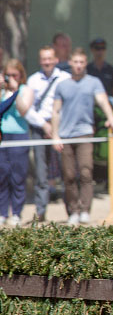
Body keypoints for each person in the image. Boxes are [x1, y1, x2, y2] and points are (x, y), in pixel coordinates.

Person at [51, 48, 113, 224]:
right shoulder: (62, 85)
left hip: (85, 133)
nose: (79, 66)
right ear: (70, 63)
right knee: (68, 175)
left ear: (85, 63)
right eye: (76, 62)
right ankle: (73, 210)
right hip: (66, 135)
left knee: (86, 172)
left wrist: (111, 118)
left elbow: (103, 101)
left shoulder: (93, 82)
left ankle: (85, 209)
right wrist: (55, 135)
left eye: (82, 62)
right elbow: (56, 111)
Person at [23, 45, 68, 221]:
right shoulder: (33, 80)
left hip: (62, 128)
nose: (47, 62)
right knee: (41, 173)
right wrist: (44, 125)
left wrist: (55, 126)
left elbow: (67, 105)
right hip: (39, 128)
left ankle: (71, 212)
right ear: (40, 60)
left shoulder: (65, 78)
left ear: (56, 59)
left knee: (67, 171)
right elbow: (28, 108)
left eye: (50, 58)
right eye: (44, 59)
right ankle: (41, 211)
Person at [0, 59, 35, 225]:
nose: (11, 78)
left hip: (19, 135)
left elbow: (23, 111)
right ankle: (2, 213)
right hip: (2, 135)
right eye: (8, 75)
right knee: (1, 176)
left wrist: (15, 91)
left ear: (21, 75)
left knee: (18, 176)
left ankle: (16, 213)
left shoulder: (25, 90)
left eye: (15, 75)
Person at [86, 38, 113, 104]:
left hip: (108, 104)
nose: (100, 51)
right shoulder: (87, 69)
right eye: (97, 48)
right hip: (90, 104)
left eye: (103, 48)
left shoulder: (112, 70)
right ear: (92, 50)